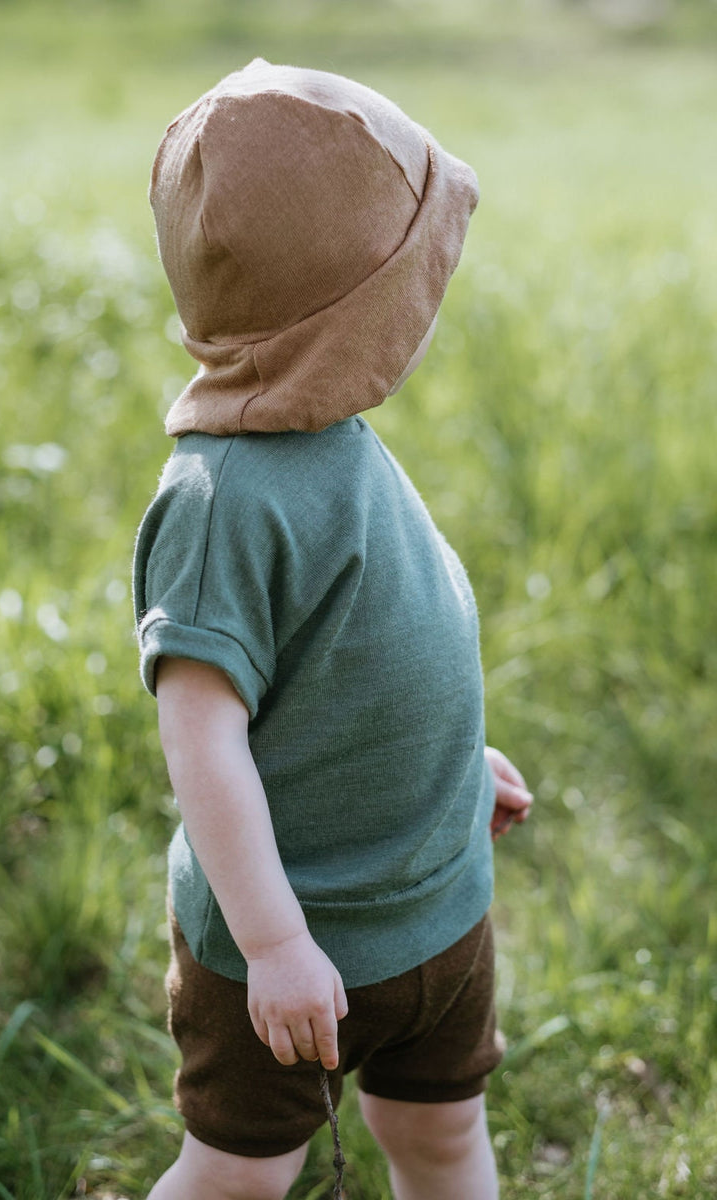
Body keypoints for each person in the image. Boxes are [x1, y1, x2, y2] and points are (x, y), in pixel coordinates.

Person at [133, 58, 533, 1200]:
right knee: (239, 1177)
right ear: (344, 311)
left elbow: (370, 652)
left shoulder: (334, 432)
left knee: (440, 1135)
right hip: (293, 951)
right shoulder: (221, 504)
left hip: (437, 910)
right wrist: (271, 945)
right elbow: (201, 740)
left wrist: (450, 770)